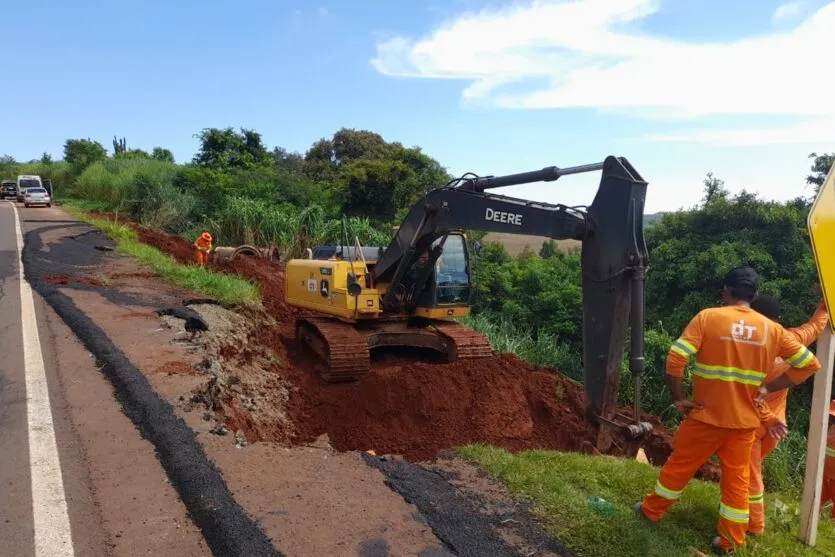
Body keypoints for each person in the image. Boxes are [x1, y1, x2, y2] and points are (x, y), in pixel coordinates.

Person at [633, 266, 821, 554]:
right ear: (755, 295)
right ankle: (730, 541)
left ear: (725, 291)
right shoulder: (773, 330)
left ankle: (651, 511)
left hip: (706, 417)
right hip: (744, 425)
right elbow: (809, 364)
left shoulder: (709, 317)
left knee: (679, 467)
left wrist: (679, 398)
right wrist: (768, 388)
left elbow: (676, 356)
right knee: (736, 482)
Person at [746, 292, 829, 535]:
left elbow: (752, 397)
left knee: (750, 477)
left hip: (756, 424)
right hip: (776, 427)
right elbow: (815, 326)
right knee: (749, 473)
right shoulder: (791, 340)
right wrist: (825, 304)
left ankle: (754, 525)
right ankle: (739, 510)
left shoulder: (753, 352)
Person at [819, 401, 835, 520]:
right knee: (819, 497)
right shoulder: (830, 429)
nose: (832, 419)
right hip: (825, 472)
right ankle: (813, 515)